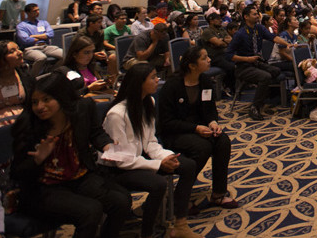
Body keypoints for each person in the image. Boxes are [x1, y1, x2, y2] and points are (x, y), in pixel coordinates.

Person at [10, 70, 131, 238]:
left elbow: (95, 133)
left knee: (122, 201)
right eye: (35, 102)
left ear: (61, 97)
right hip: (44, 187)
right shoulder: (29, 126)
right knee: (90, 211)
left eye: (46, 100)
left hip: (79, 176)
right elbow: (16, 172)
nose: (40, 107)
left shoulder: (82, 109)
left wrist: (107, 145)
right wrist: (37, 160)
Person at [101, 63, 202, 238]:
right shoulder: (116, 115)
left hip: (138, 158)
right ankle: (147, 233)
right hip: (116, 168)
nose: (158, 80)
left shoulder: (148, 102)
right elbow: (120, 158)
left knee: (188, 165)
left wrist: (167, 157)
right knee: (158, 184)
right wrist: (157, 164)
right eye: (153, 77)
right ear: (139, 83)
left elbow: (150, 142)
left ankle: (180, 224)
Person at [158, 47, 237, 209]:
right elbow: (167, 122)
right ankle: (182, 195)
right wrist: (196, 128)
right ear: (192, 65)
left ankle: (219, 193)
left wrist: (213, 122)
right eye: (204, 58)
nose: (209, 60)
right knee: (203, 147)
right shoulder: (172, 86)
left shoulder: (205, 81)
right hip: (176, 132)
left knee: (222, 141)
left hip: (199, 128)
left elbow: (210, 110)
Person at [226, 5, 293, 121]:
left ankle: (266, 97)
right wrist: (247, 59)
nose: (257, 16)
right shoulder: (240, 34)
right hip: (244, 66)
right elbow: (228, 55)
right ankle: (255, 107)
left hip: (257, 62)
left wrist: (286, 44)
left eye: (257, 14)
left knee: (276, 71)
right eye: (254, 14)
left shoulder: (259, 28)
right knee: (265, 77)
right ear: (246, 17)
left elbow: (273, 38)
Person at [16, 3, 63, 75]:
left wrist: (33, 36)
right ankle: (31, 77)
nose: (37, 12)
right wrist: (43, 36)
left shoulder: (43, 23)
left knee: (65, 55)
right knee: (41, 58)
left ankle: (50, 72)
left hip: (46, 46)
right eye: (34, 11)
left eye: (38, 10)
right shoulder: (22, 26)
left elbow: (50, 34)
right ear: (28, 13)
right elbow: (26, 40)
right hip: (31, 48)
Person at [199, 13, 234, 95]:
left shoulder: (221, 29)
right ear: (211, 21)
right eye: (218, 19)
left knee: (239, 61)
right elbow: (218, 43)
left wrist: (222, 41)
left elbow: (231, 40)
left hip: (224, 54)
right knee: (231, 67)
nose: (220, 21)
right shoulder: (207, 32)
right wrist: (223, 41)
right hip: (214, 57)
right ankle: (230, 87)